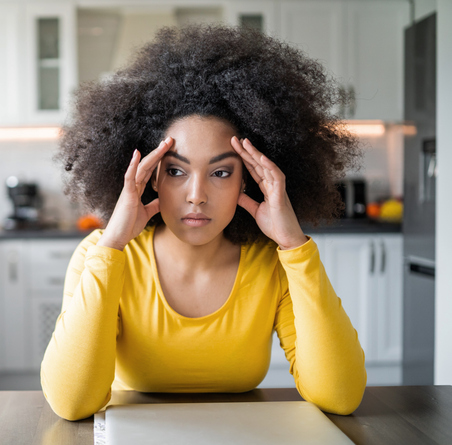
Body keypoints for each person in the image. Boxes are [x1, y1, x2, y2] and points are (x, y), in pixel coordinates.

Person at [41, 24, 366, 421]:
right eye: (176, 172)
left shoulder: (275, 263)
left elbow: (340, 395)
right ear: (151, 176)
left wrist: (294, 245)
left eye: (221, 173)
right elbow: (71, 403)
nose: (196, 195)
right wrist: (111, 247)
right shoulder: (101, 254)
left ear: (249, 178)